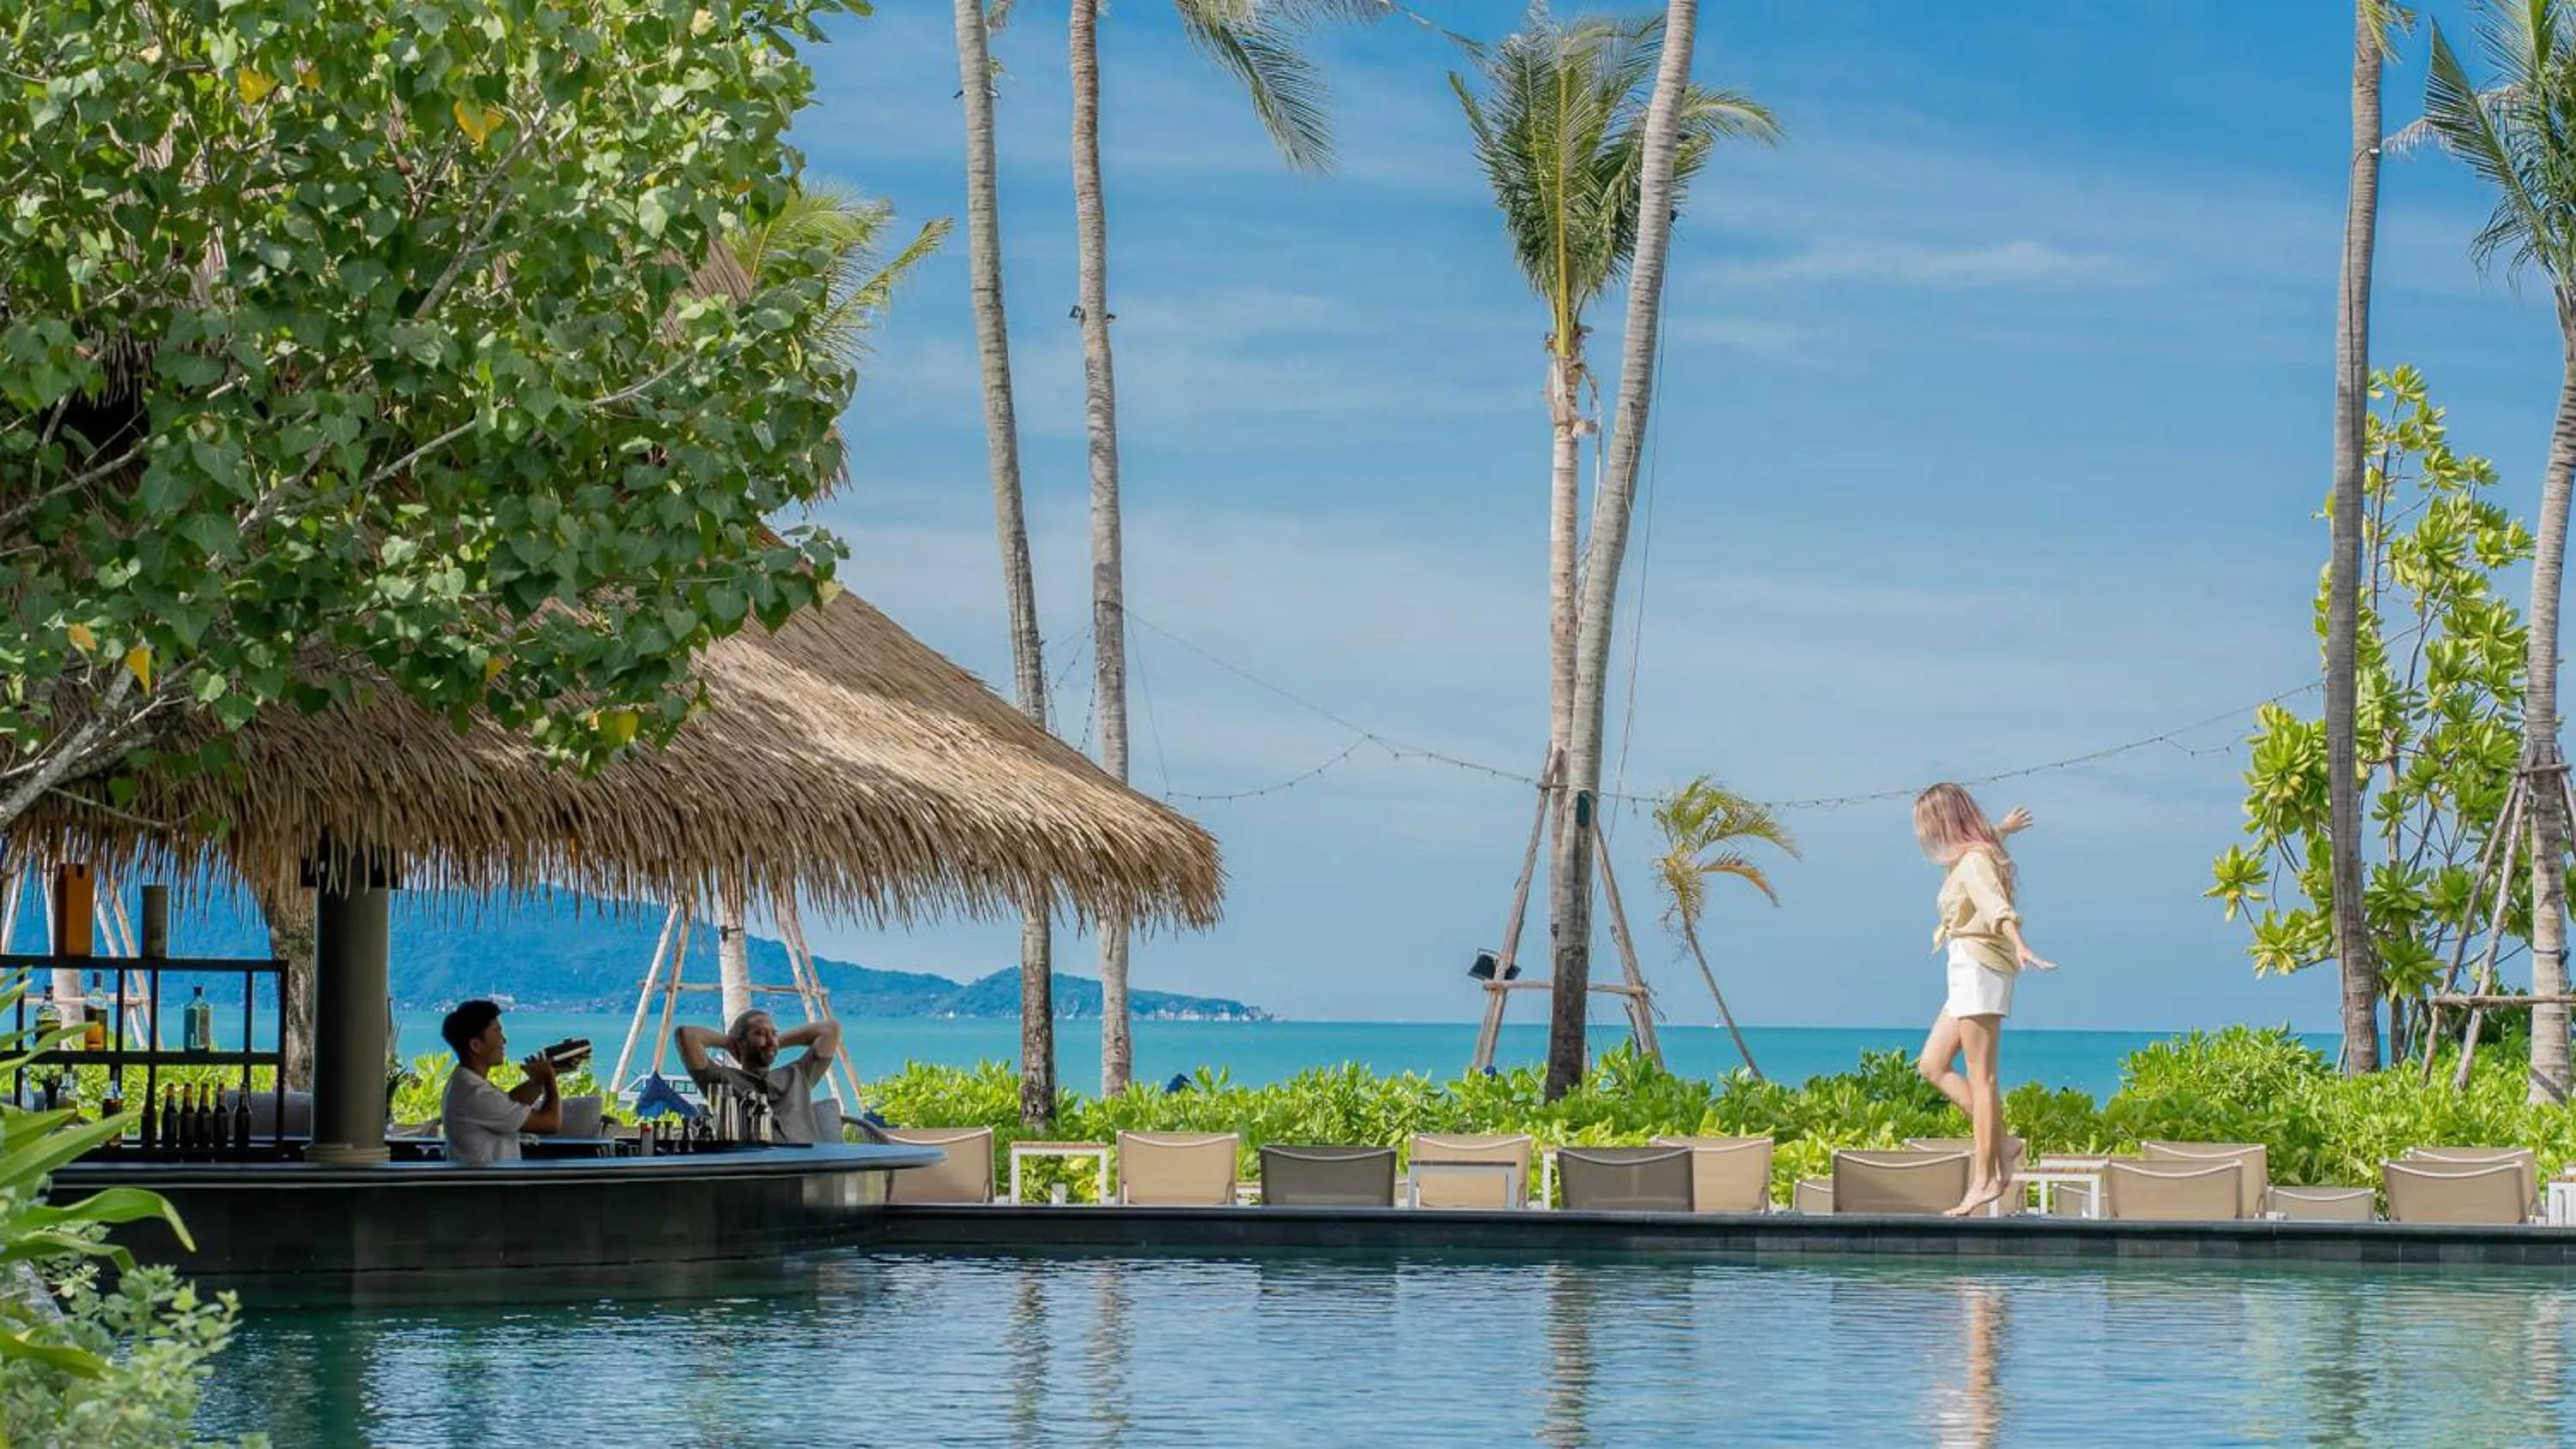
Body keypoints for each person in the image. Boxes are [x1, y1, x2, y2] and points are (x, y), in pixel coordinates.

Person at [1911, 785, 2052, 1217]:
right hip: (1963, 967)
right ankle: (2005, 1144)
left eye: (1930, 824)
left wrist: (2021, 943)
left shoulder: (1974, 861)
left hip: (1978, 967)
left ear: (1947, 822)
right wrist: (2003, 829)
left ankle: (1986, 1178)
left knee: (1982, 1078)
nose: (1926, 834)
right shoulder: (1973, 853)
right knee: (1932, 1064)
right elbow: (1980, 852)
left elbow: (1995, 905)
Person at [672, 1009, 842, 1144]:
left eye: (773, 1033)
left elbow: (830, 1029)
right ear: (740, 1042)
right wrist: (729, 1043)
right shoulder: (721, 1080)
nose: (770, 1039)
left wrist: (774, 1044)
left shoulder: (799, 1074)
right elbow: (686, 1035)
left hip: (806, 1171)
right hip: (757, 1173)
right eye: (760, 1034)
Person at [439, 998, 561, 1166]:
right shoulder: (477, 1095)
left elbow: (508, 1105)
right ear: (475, 1045)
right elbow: (551, 1123)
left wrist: (540, 1079)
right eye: (497, 1032)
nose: (504, 1041)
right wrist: (549, 1080)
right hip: (490, 1189)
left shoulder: (464, 1084)